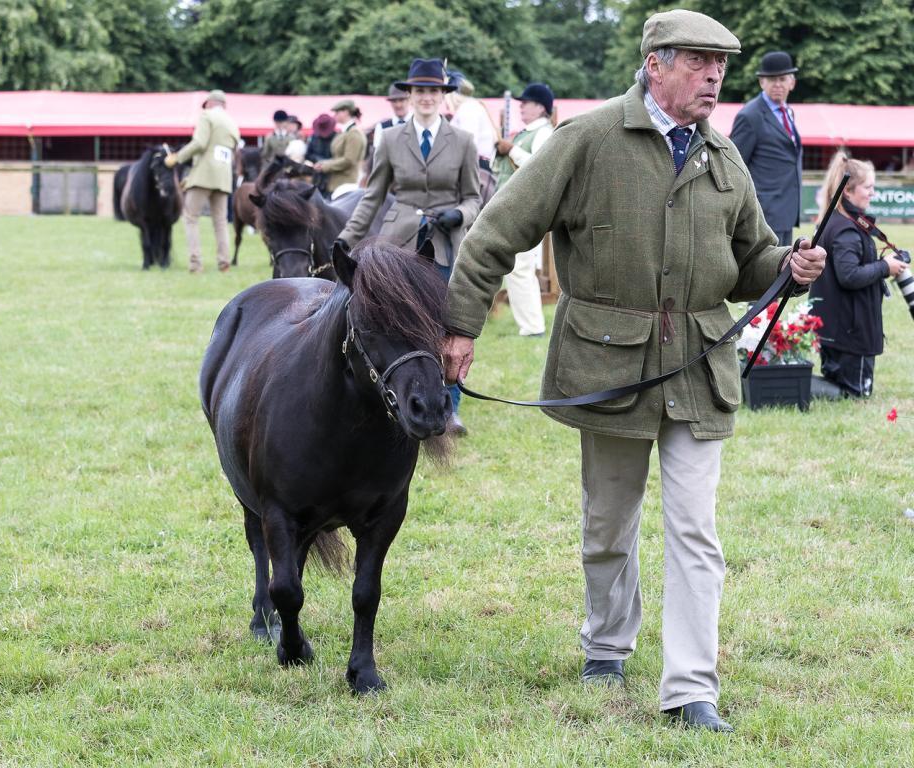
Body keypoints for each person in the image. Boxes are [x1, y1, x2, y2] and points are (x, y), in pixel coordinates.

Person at [441, 10, 826, 731]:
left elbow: (752, 263)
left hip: (700, 369)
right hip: (609, 366)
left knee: (694, 531)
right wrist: (460, 326)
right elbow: (495, 232)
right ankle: (607, 644)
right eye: (699, 62)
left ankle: (690, 691)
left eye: (722, 65)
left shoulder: (723, 156)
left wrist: (790, 269)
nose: (715, 76)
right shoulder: (584, 141)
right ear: (656, 63)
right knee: (608, 525)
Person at [337, 57, 481, 436]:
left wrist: (459, 213)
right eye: (420, 91)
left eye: (434, 91)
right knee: (400, 328)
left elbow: (474, 197)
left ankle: (449, 405)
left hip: (446, 244)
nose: (427, 97)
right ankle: (400, 395)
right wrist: (347, 238)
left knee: (447, 326)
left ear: (443, 95)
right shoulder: (387, 138)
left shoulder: (464, 141)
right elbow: (373, 195)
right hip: (400, 244)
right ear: (410, 94)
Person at [808, 153, 905, 397]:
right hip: (850, 333)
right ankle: (797, 388)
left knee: (839, 383)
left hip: (837, 329)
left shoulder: (837, 221)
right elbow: (849, 276)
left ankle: (801, 387)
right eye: (868, 187)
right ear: (848, 192)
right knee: (854, 394)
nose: (873, 192)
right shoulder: (846, 229)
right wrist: (885, 268)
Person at [491, 83, 555, 338]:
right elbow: (501, 171)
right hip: (510, 204)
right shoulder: (524, 133)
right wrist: (500, 154)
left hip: (526, 206)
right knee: (517, 267)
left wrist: (512, 150)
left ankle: (533, 327)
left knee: (520, 267)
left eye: (525, 103)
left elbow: (540, 167)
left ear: (540, 107)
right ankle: (530, 325)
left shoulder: (544, 133)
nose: (521, 106)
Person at [730, 51, 803, 246]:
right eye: (771, 79)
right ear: (762, 82)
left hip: (786, 211)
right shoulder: (750, 116)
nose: (777, 84)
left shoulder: (788, 112)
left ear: (792, 83)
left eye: (782, 79)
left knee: (784, 270)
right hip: (763, 214)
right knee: (767, 273)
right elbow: (733, 166)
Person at [165, 89, 239, 273]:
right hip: (223, 177)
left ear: (209, 103)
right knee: (221, 221)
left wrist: (177, 157)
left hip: (204, 177)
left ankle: (195, 263)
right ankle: (224, 263)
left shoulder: (207, 116)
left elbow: (200, 143)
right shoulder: (232, 123)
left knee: (191, 217)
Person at [314, 99, 367, 198]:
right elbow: (338, 157)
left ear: (346, 112)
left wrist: (325, 166)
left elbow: (349, 160)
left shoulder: (354, 133)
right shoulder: (345, 132)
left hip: (346, 184)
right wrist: (324, 163)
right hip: (337, 183)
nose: (334, 115)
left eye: (337, 112)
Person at [372, 84, 412, 152]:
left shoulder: (418, 124)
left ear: (409, 100)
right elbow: (378, 154)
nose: (398, 105)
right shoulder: (382, 127)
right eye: (394, 101)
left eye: (401, 100)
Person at [306, 114, 337, 197]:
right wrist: (318, 160)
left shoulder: (337, 138)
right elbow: (308, 154)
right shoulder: (314, 137)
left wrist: (326, 163)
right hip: (317, 175)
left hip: (332, 175)